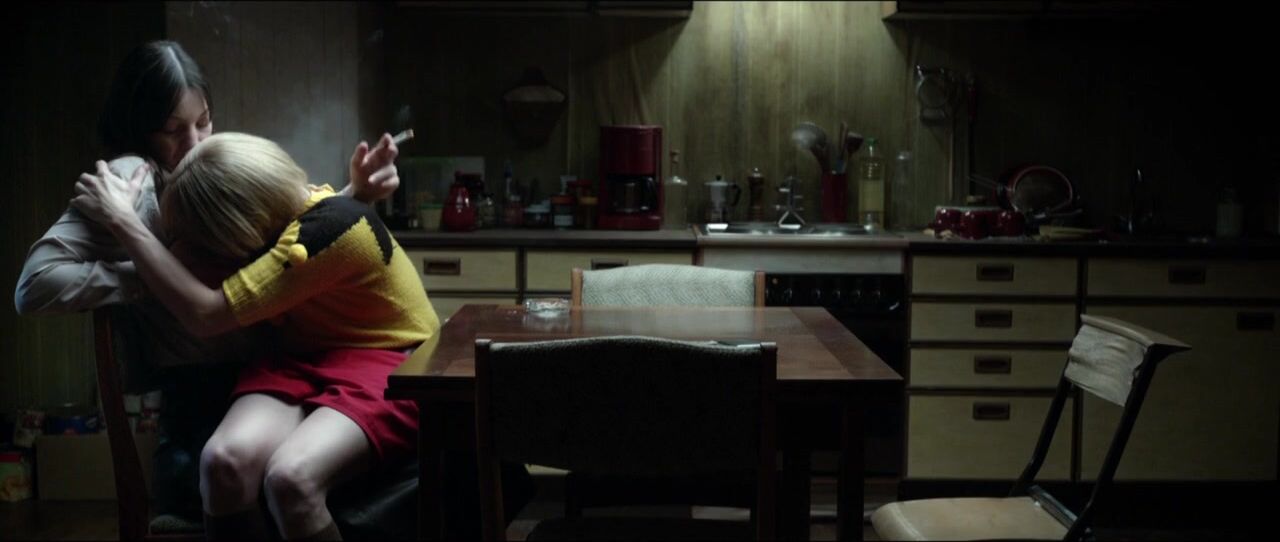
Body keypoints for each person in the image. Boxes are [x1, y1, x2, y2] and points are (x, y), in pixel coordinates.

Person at [13, 40, 402, 524]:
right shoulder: (130, 180)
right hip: (205, 398)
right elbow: (35, 286)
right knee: (299, 485)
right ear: (138, 130)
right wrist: (154, 273)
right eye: (173, 130)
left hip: (279, 372)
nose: (195, 143)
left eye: (204, 122)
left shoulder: (207, 166)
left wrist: (353, 196)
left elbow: (282, 250)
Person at [71, 132, 438, 540]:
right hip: (303, 357)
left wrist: (123, 221)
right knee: (222, 463)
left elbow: (206, 314)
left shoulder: (332, 230)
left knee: (291, 479)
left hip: (390, 359)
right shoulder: (298, 215)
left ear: (237, 233)